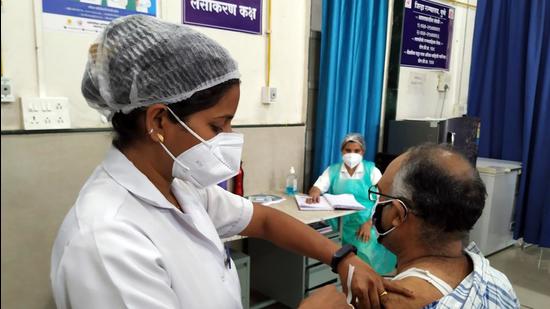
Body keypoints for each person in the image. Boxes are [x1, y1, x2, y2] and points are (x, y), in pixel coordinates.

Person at [50, 15, 412, 309]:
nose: (229, 136)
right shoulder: (107, 241)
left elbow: (265, 221)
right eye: (217, 124)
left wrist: (341, 258)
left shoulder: (180, 187)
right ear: (159, 121)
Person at [369, 144, 519, 308]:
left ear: (398, 214)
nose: (376, 203)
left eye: (379, 195)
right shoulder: (500, 283)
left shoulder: (390, 302)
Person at [308, 133, 397, 275]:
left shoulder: (372, 171)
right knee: (333, 253)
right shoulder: (333, 170)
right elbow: (318, 187)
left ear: (363, 152)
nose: (351, 154)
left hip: (364, 221)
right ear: (342, 151)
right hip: (338, 221)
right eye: (348, 150)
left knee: (364, 256)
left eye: (357, 151)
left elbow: (383, 200)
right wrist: (314, 191)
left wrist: (369, 223)